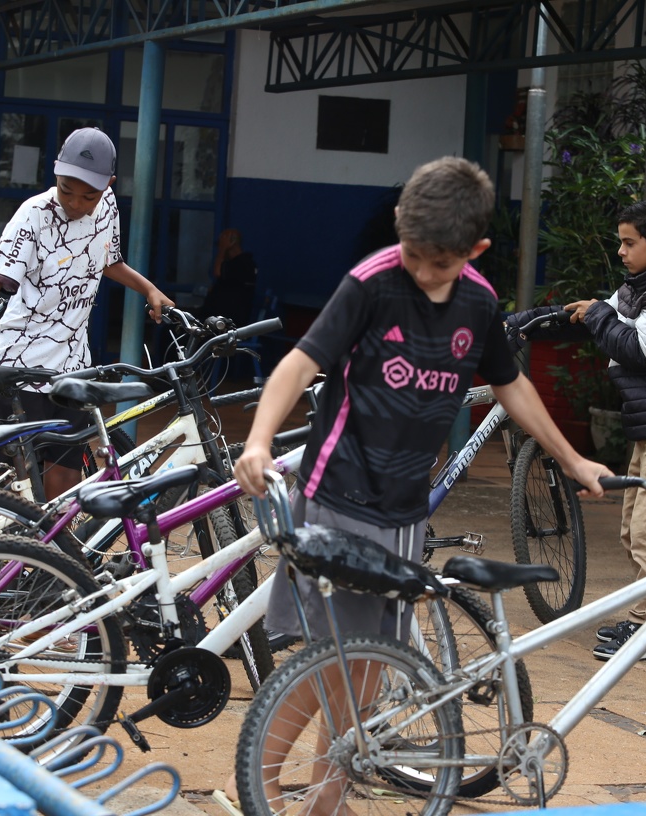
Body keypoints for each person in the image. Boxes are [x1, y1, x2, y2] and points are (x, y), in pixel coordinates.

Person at [225, 156, 611, 813]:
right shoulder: (371, 285)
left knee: (372, 666)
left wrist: (572, 459)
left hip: (405, 507)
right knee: (330, 666)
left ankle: (326, 797)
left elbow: (511, 384)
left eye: (439, 262)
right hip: (340, 494)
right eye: (413, 254)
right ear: (398, 229)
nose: (423, 271)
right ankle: (259, 790)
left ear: (475, 251)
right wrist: (259, 439)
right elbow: (299, 363)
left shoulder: (480, 301)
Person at [511, 197, 646, 662]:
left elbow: (641, 351)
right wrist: (524, 324)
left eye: (628, 243)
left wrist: (601, 313)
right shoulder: (641, 286)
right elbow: (595, 323)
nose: (620, 251)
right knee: (633, 530)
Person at [0, 127, 174, 501]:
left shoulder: (106, 207)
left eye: (88, 195)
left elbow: (109, 261)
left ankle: (51, 560)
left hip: (72, 369)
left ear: (108, 184)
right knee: (6, 491)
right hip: (18, 368)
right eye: (66, 190)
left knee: (64, 485)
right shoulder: (34, 215)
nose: (76, 203)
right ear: (55, 176)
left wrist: (149, 289)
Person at [198, 228, 258, 326]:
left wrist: (222, 249)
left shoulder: (243, 263)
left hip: (226, 320)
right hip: (214, 316)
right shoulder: (232, 263)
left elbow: (218, 272)